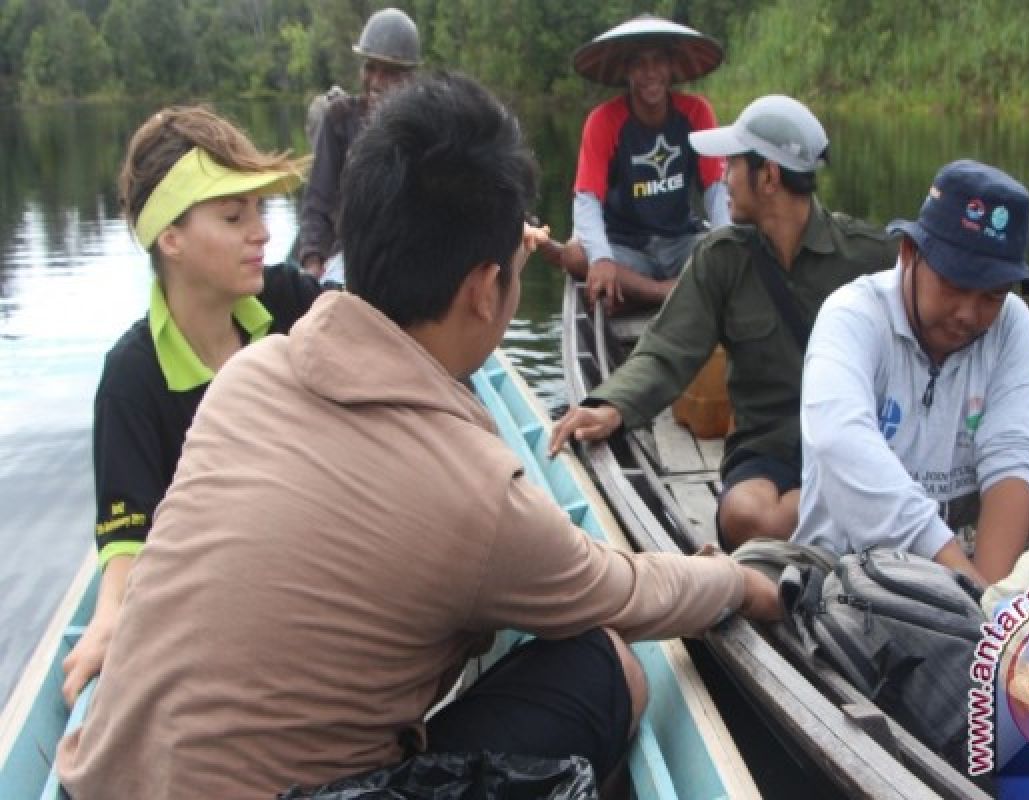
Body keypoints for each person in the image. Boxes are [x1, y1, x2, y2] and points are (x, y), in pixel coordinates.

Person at [56, 73, 781, 799]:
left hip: (101, 780)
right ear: (482, 289)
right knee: (605, 666)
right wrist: (739, 581)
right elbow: (624, 592)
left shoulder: (249, 377)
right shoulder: (476, 493)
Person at [549, 96, 898, 551]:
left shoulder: (868, 256)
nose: (722, 178)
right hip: (768, 448)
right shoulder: (721, 259)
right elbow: (665, 352)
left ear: (768, 177)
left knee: (826, 502)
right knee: (744, 517)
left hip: (852, 442)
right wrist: (611, 405)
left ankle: (823, 519)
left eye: (733, 164)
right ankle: (831, 521)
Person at [59, 106, 321, 708]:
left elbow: (379, 324)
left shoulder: (288, 300)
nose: (260, 232)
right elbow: (126, 535)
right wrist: (110, 616)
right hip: (221, 606)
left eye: (259, 210)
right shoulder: (132, 377)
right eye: (233, 215)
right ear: (170, 239)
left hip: (307, 563)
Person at [791, 159, 1029, 587]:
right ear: (909, 254)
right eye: (954, 285)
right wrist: (964, 584)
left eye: (991, 295)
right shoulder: (852, 316)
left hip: (961, 571)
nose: (968, 313)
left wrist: (990, 605)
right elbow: (842, 441)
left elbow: (1012, 454)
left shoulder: (1012, 325)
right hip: (841, 571)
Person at [539, 15, 731, 311]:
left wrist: (726, 246)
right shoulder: (604, 121)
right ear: (626, 71)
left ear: (670, 66)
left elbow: (717, 190)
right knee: (577, 255)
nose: (650, 73)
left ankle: (647, 293)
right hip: (627, 248)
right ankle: (663, 292)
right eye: (640, 64)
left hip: (682, 242)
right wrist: (602, 258)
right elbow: (587, 198)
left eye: (658, 62)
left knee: (739, 249)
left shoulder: (696, 113)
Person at [297, 7, 421, 284]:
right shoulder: (339, 119)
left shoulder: (426, 129)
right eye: (370, 68)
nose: (376, 81)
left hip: (407, 261)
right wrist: (312, 261)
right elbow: (318, 200)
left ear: (411, 78)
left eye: (390, 73)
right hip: (350, 257)